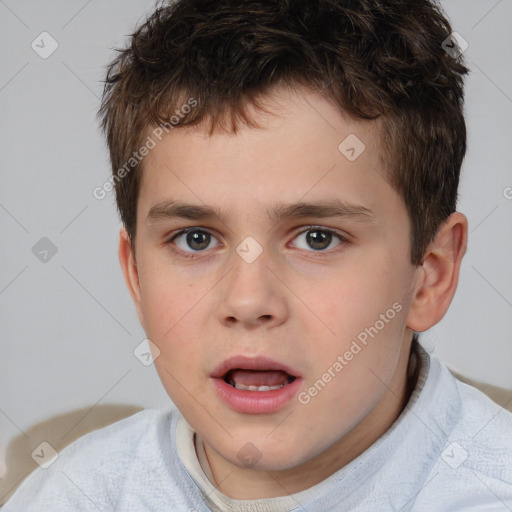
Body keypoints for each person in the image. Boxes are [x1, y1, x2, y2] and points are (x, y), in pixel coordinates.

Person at [4, 0, 512, 510]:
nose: (248, 301)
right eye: (195, 239)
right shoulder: (69, 495)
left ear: (430, 277)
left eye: (318, 238)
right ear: (136, 275)